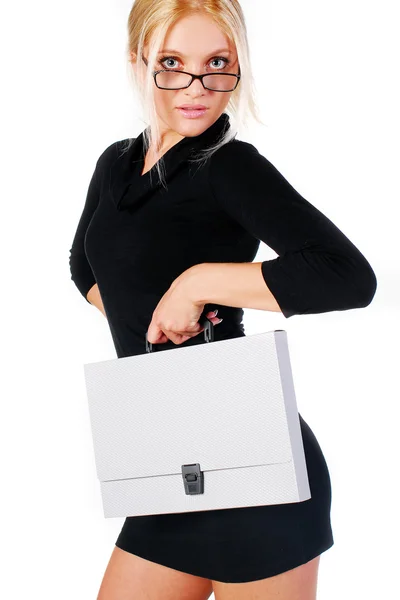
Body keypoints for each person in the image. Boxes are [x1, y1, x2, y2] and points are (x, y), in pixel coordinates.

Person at [69, 1, 377, 598]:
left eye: (217, 64)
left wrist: (199, 282)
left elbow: (346, 277)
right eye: (172, 63)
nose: (197, 87)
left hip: (253, 458)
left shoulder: (229, 166)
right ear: (138, 64)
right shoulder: (115, 164)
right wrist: (149, 335)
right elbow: (82, 263)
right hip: (165, 462)